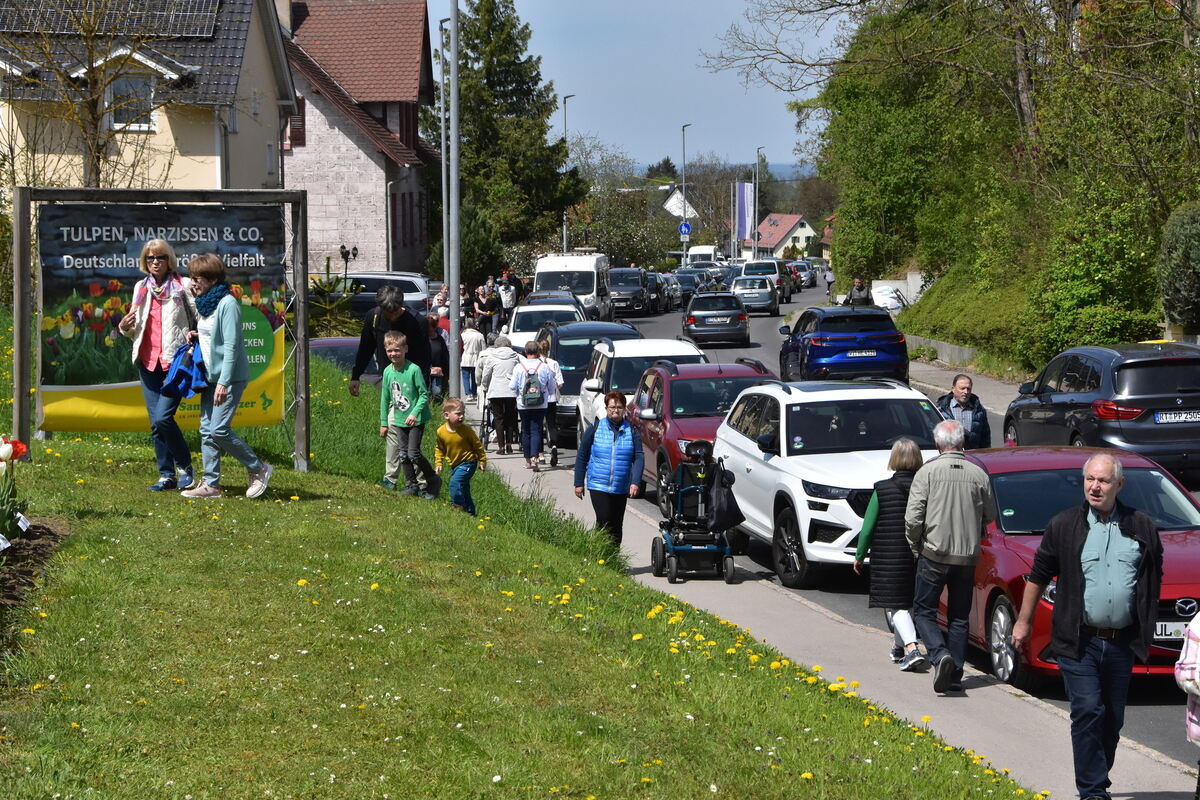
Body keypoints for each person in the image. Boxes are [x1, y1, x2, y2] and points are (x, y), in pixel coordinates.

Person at [1012, 453, 1162, 800]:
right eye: (1090, 480)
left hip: (1122, 641)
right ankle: (1093, 791)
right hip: (1079, 640)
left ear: (1119, 485)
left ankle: (1096, 775)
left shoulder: (1142, 526)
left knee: (1112, 722)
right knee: (1088, 710)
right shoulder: (1065, 525)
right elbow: (1037, 575)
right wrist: (1023, 621)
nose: (1095, 487)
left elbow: (1154, 575)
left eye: (1103, 481)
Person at [904, 419, 995, 693]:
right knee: (959, 616)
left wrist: (916, 546)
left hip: (934, 553)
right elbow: (990, 515)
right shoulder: (979, 474)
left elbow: (913, 518)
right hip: (966, 557)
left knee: (923, 611)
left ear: (937, 444)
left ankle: (939, 655)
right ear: (962, 443)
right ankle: (954, 674)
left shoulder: (927, 472)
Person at [180, 253, 272, 500]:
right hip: (210, 376)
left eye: (196, 278)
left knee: (219, 429)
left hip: (228, 378)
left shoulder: (227, 303)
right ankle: (211, 485)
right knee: (206, 430)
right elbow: (214, 337)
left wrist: (223, 382)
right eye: (191, 277)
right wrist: (196, 335)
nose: (192, 283)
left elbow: (231, 346)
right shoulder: (205, 303)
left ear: (211, 279)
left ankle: (258, 467)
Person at [118, 239, 199, 492]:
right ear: (145, 261)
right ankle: (166, 476)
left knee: (164, 418)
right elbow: (136, 328)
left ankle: (185, 466)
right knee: (155, 423)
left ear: (169, 260)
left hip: (175, 362)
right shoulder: (140, 287)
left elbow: (199, 317)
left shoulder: (183, 285)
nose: (155, 262)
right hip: (147, 361)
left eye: (160, 257)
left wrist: (195, 336)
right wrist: (124, 327)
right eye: (151, 258)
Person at [853, 438, 928, 672]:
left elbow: (867, 528)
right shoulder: (925, 487)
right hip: (919, 553)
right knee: (907, 602)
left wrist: (859, 555)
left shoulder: (882, 489)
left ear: (894, 459)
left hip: (889, 553)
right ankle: (898, 648)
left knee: (896, 604)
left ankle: (911, 648)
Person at [574, 391, 644, 546]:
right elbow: (582, 455)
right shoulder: (595, 428)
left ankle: (613, 559)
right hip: (598, 484)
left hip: (620, 486)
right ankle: (598, 552)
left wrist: (635, 482)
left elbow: (639, 457)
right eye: (612, 407)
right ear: (606, 408)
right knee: (604, 518)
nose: (615, 410)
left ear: (624, 409)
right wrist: (579, 482)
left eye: (619, 407)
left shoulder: (632, 431)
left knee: (616, 524)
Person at [377, 331, 439, 498]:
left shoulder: (413, 369)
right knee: (403, 454)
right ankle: (412, 485)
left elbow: (424, 394)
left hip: (415, 419)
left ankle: (432, 479)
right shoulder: (388, 372)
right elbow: (385, 398)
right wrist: (384, 422)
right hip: (398, 418)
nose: (393, 354)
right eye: (389, 350)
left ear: (405, 349)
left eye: (397, 350)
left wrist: (414, 413)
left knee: (413, 453)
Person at [349, 285, 430, 397]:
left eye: (396, 312)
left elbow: (424, 358)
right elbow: (365, 349)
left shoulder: (417, 321)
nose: (392, 317)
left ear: (401, 306)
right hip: (386, 378)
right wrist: (355, 376)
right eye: (388, 313)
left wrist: (422, 390)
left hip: (411, 380)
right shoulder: (373, 317)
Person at [434, 397, 487, 515]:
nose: (461, 416)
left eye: (463, 413)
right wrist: (438, 462)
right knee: (464, 488)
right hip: (455, 465)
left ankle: (457, 507)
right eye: (458, 414)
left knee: (455, 482)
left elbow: (478, 446)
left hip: (469, 462)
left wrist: (482, 461)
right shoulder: (441, 431)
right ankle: (471, 513)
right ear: (446, 415)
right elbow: (439, 448)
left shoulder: (467, 431)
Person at [509, 341, 556, 471]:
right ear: (538, 352)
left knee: (526, 430)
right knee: (536, 430)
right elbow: (552, 387)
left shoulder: (519, 367)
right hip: (540, 404)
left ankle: (528, 460)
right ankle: (535, 458)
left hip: (523, 404)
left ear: (525, 351)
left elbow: (512, 386)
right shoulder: (544, 367)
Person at [479, 334, 520, 455]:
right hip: (511, 391)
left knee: (498, 418)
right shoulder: (515, 356)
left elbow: (486, 374)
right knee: (511, 417)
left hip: (496, 390)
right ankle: (509, 445)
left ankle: (501, 447)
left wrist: (484, 387)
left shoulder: (492, 356)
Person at [936, 374, 992, 450]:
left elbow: (985, 436)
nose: (966, 392)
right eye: (962, 388)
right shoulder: (941, 409)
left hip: (973, 455)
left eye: (968, 389)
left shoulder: (979, 410)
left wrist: (985, 453)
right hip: (950, 454)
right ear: (953, 389)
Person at [537, 340, 564, 467]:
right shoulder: (554, 363)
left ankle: (541, 455)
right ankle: (553, 445)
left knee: (538, 427)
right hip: (551, 399)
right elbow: (560, 383)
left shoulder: (536, 364)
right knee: (551, 425)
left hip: (538, 400)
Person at [460, 318, 485, 402]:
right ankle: (474, 393)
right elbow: (483, 349)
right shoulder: (479, 335)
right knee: (475, 377)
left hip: (465, 358)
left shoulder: (463, 335)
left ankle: (468, 393)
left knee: (465, 377)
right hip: (476, 358)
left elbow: (460, 347)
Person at [427, 314, 449, 401]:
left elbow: (445, 356)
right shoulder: (422, 339)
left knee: (437, 394)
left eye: (429, 327)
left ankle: (436, 411)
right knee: (426, 394)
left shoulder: (440, 339)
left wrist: (447, 373)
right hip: (425, 371)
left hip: (438, 372)